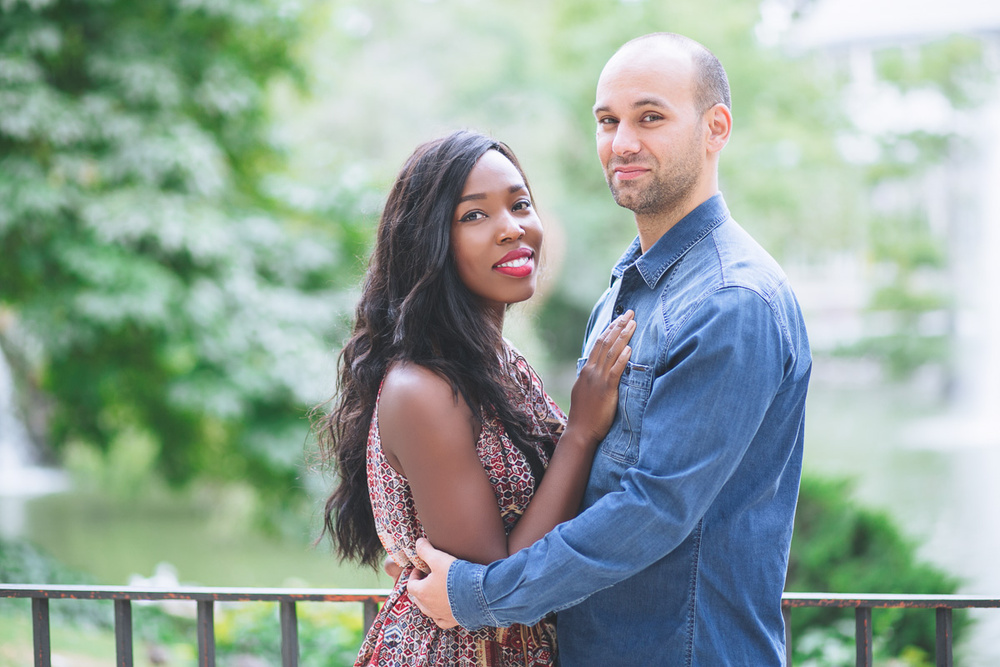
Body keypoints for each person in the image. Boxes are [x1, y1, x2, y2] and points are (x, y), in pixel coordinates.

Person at [407, 32, 813, 666]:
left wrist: (481, 595)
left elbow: (653, 507)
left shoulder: (733, 301)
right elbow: (595, 476)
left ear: (716, 128)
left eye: (650, 117)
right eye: (607, 120)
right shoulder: (633, 287)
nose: (622, 142)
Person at [315, 130, 636, 666]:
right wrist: (581, 431)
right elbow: (493, 587)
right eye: (474, 216)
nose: (512, 228)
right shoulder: (423, 388)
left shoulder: (495, 359)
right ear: (429, 241)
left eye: (520, 204)